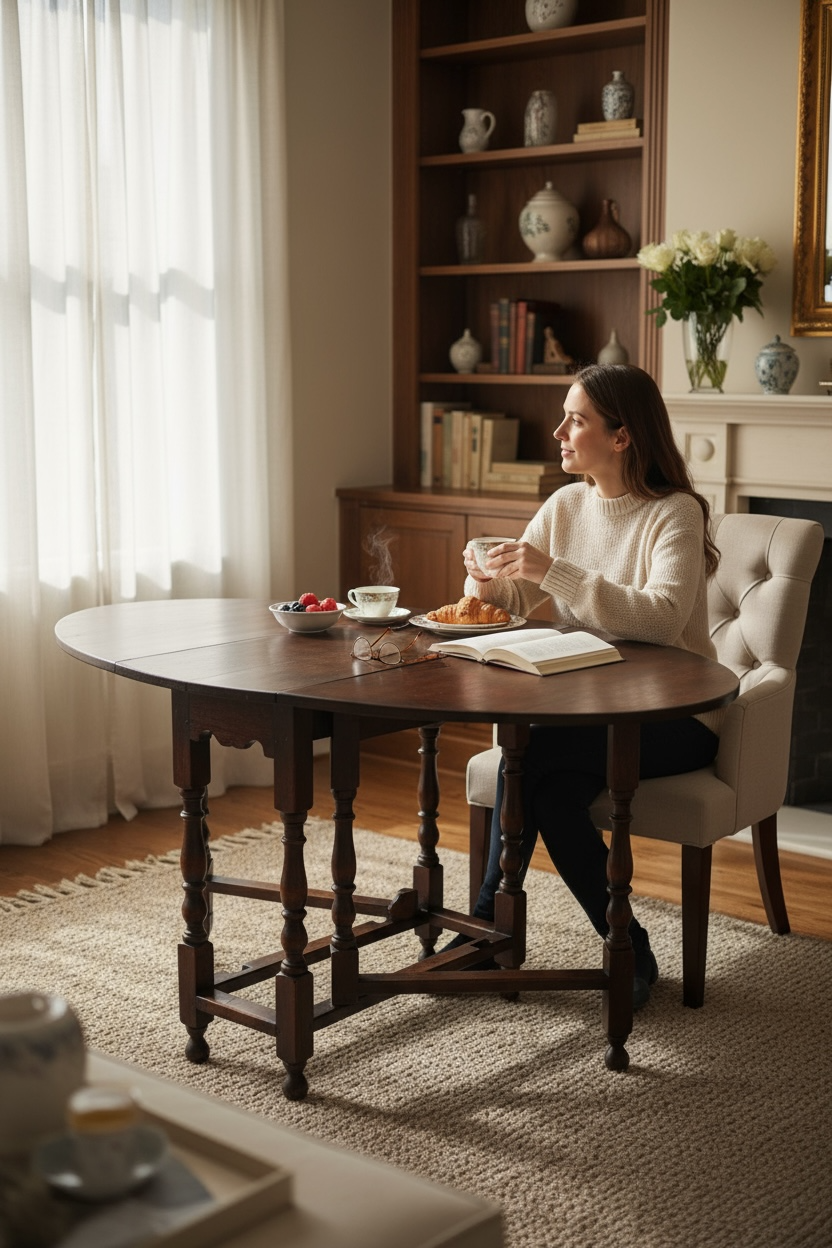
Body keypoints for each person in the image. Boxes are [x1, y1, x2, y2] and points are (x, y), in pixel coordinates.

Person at [451, 363, 722, 1009]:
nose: (559, 431)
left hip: (678, 721)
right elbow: (518, 597)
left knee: (529, 764)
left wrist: (559, 573)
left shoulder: (674, 513)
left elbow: (661, 618)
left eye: (576, 419)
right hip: (589, 714)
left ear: (622, 436)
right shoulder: (567, 503)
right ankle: (625, 946)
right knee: (547, 788)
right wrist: (483, 580)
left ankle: (487, 932)